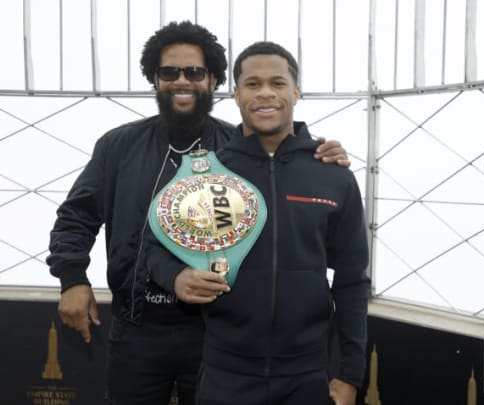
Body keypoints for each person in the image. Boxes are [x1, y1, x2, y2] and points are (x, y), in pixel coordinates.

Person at [46, 21, 350, 404]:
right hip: (136, 329)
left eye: (194, 72)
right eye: (169, 72)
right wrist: (72, 278)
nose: (181, 82)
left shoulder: (238, 150)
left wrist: (320, 154)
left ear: (215, 81)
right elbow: (77, 216)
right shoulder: (118, 146)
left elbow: (283, 173)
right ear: (154, 79)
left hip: (215, 333)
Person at [148, 41, 370, 405]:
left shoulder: (334, 176)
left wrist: (349, 374)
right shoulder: (206, 175)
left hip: (308, 377)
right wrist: (176, 276)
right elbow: (152, 250)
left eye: (278, 83)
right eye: (253, 84)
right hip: (225, 374)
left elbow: (352, 281)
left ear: (296, 91)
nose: (266, 93)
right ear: (235, 94)